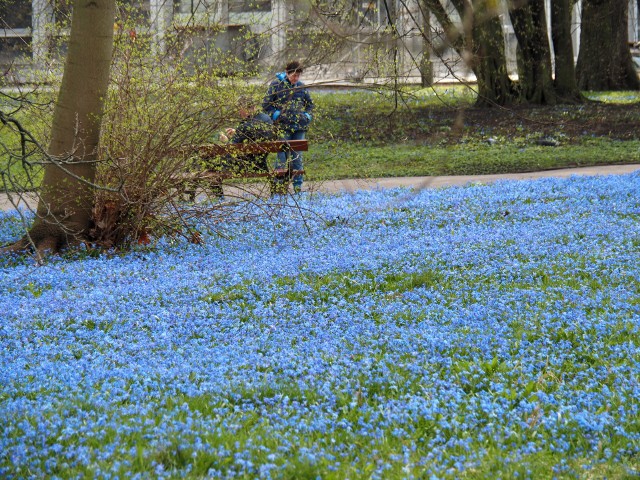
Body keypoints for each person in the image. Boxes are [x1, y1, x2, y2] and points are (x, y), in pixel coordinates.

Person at [262, 60, 314, 193]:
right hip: (283, 126)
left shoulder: (301, 87)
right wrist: (275, 115)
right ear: (287, 73)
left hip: (299, 127)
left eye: (298, 76)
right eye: (293, 76)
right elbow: (266, 105)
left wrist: (307, 116)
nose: (295, 79)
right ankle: (279, 185)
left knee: (297, 157)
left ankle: (297, 187)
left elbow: (310, 104)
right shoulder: (276, 85)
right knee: (282, 157)